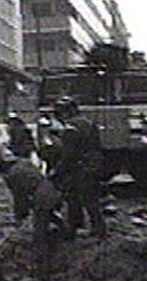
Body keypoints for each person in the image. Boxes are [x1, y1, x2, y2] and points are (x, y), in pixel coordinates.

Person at [52, 96, 106, 239]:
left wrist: (57, 171)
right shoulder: (89, 123)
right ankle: (92, 227)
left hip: (80, 166)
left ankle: (84, 228)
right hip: (92, 164)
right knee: (89, 197)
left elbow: (68, 154)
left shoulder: (71, 128)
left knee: (76, 197)